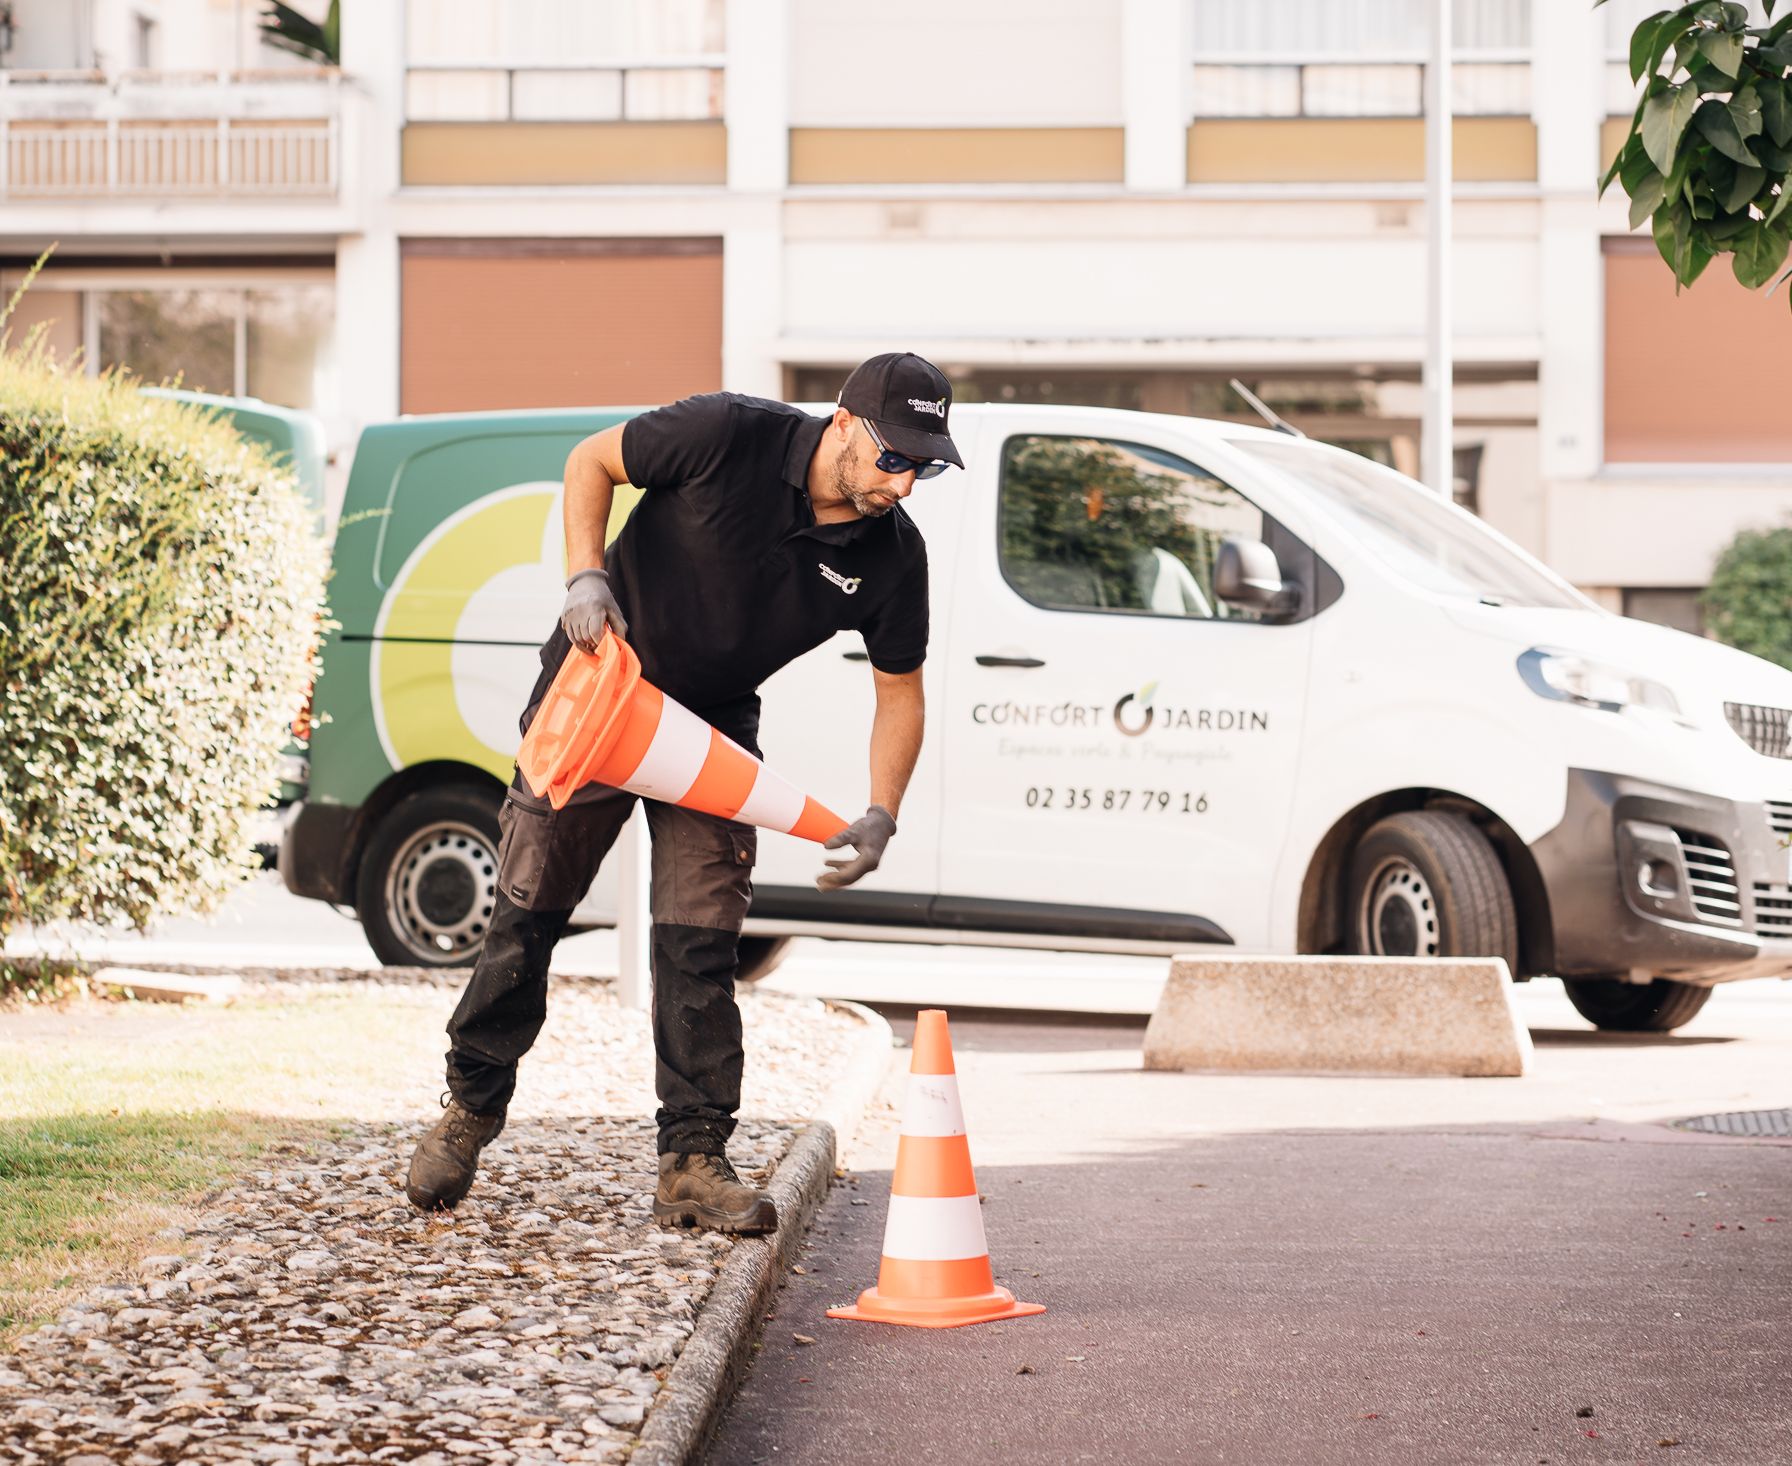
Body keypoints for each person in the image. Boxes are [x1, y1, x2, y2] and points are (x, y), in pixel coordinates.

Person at [405, 353, 962, 1233]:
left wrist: (881, 813)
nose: (906, 483)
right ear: (846, 424)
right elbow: (592, 459)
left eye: (926, 465)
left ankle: (693, 1160)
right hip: (600, 689)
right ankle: (470, 1110)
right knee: (528, 912)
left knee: (701, 938)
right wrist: (586, 575)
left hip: (710, 734)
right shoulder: (727, 434)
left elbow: (901, 690)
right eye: (897, 457)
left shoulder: (893, 557)